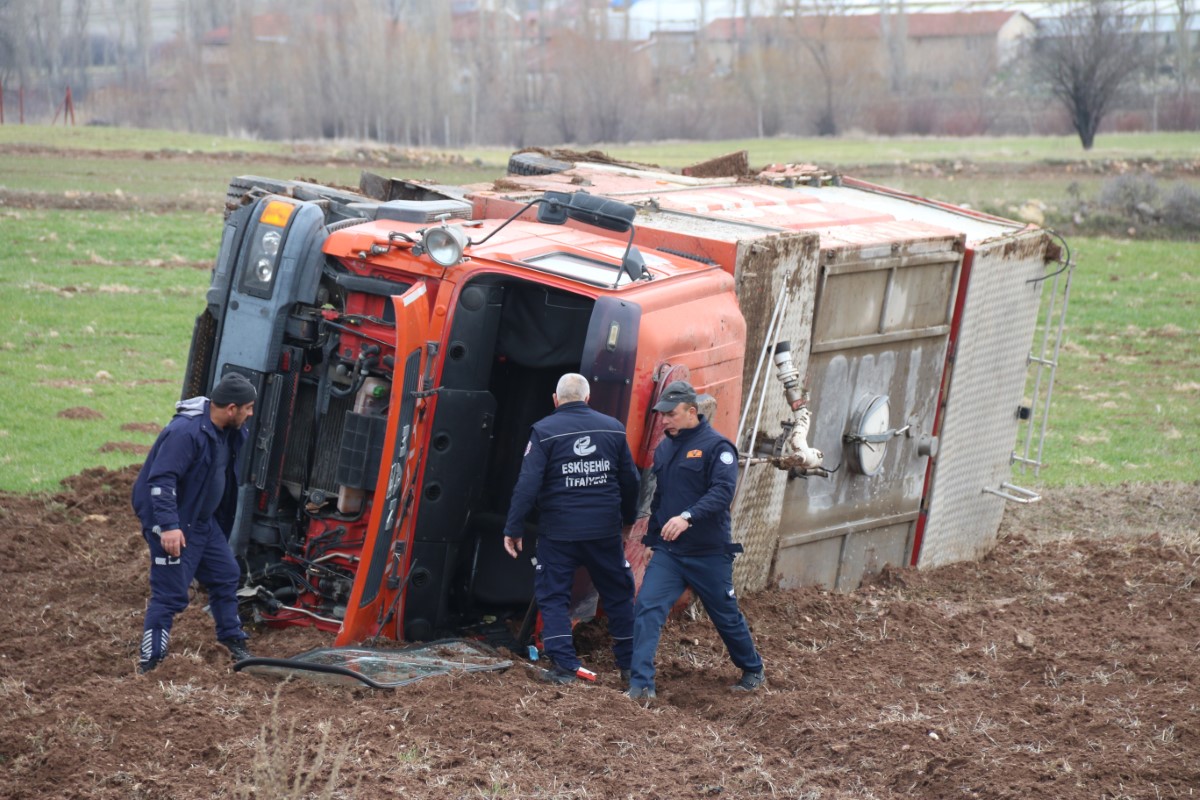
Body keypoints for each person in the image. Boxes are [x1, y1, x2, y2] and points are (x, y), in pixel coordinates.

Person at [627, 379, 764, 699]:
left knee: (724, 614)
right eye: (662, 414)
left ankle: (753, 668)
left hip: (709, 553)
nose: (664, 420)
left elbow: (722, 493)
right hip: (670, 553)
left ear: (691, 411)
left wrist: (687, 517)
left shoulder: (718, 447)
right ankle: (641, 685)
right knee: (647, 606)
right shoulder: (664, 448)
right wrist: (650, 542)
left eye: (671, 414)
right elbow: (660, 498)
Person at [503, 373, 640, 684]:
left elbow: (527, 485)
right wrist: (628, 520)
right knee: (618, 594)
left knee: (553, 597)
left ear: (555, 399)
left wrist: (514, 528)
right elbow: (631, 481)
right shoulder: (613, 428)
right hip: (604, 531)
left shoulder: (544, 431)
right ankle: (631, 667)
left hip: (559, 533)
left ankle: (565, 666)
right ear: (588, 398)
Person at [131, 372, 257, 674]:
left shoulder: (227, 431)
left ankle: (231, 640)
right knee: (170, 593)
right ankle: (152, 660)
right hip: (175, 523)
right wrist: (169, 526)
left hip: (201, 521)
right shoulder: (185, 433)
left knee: (226, 573)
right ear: (231, 408)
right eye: (248, 408)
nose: (250, 414)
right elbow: (161, 480)